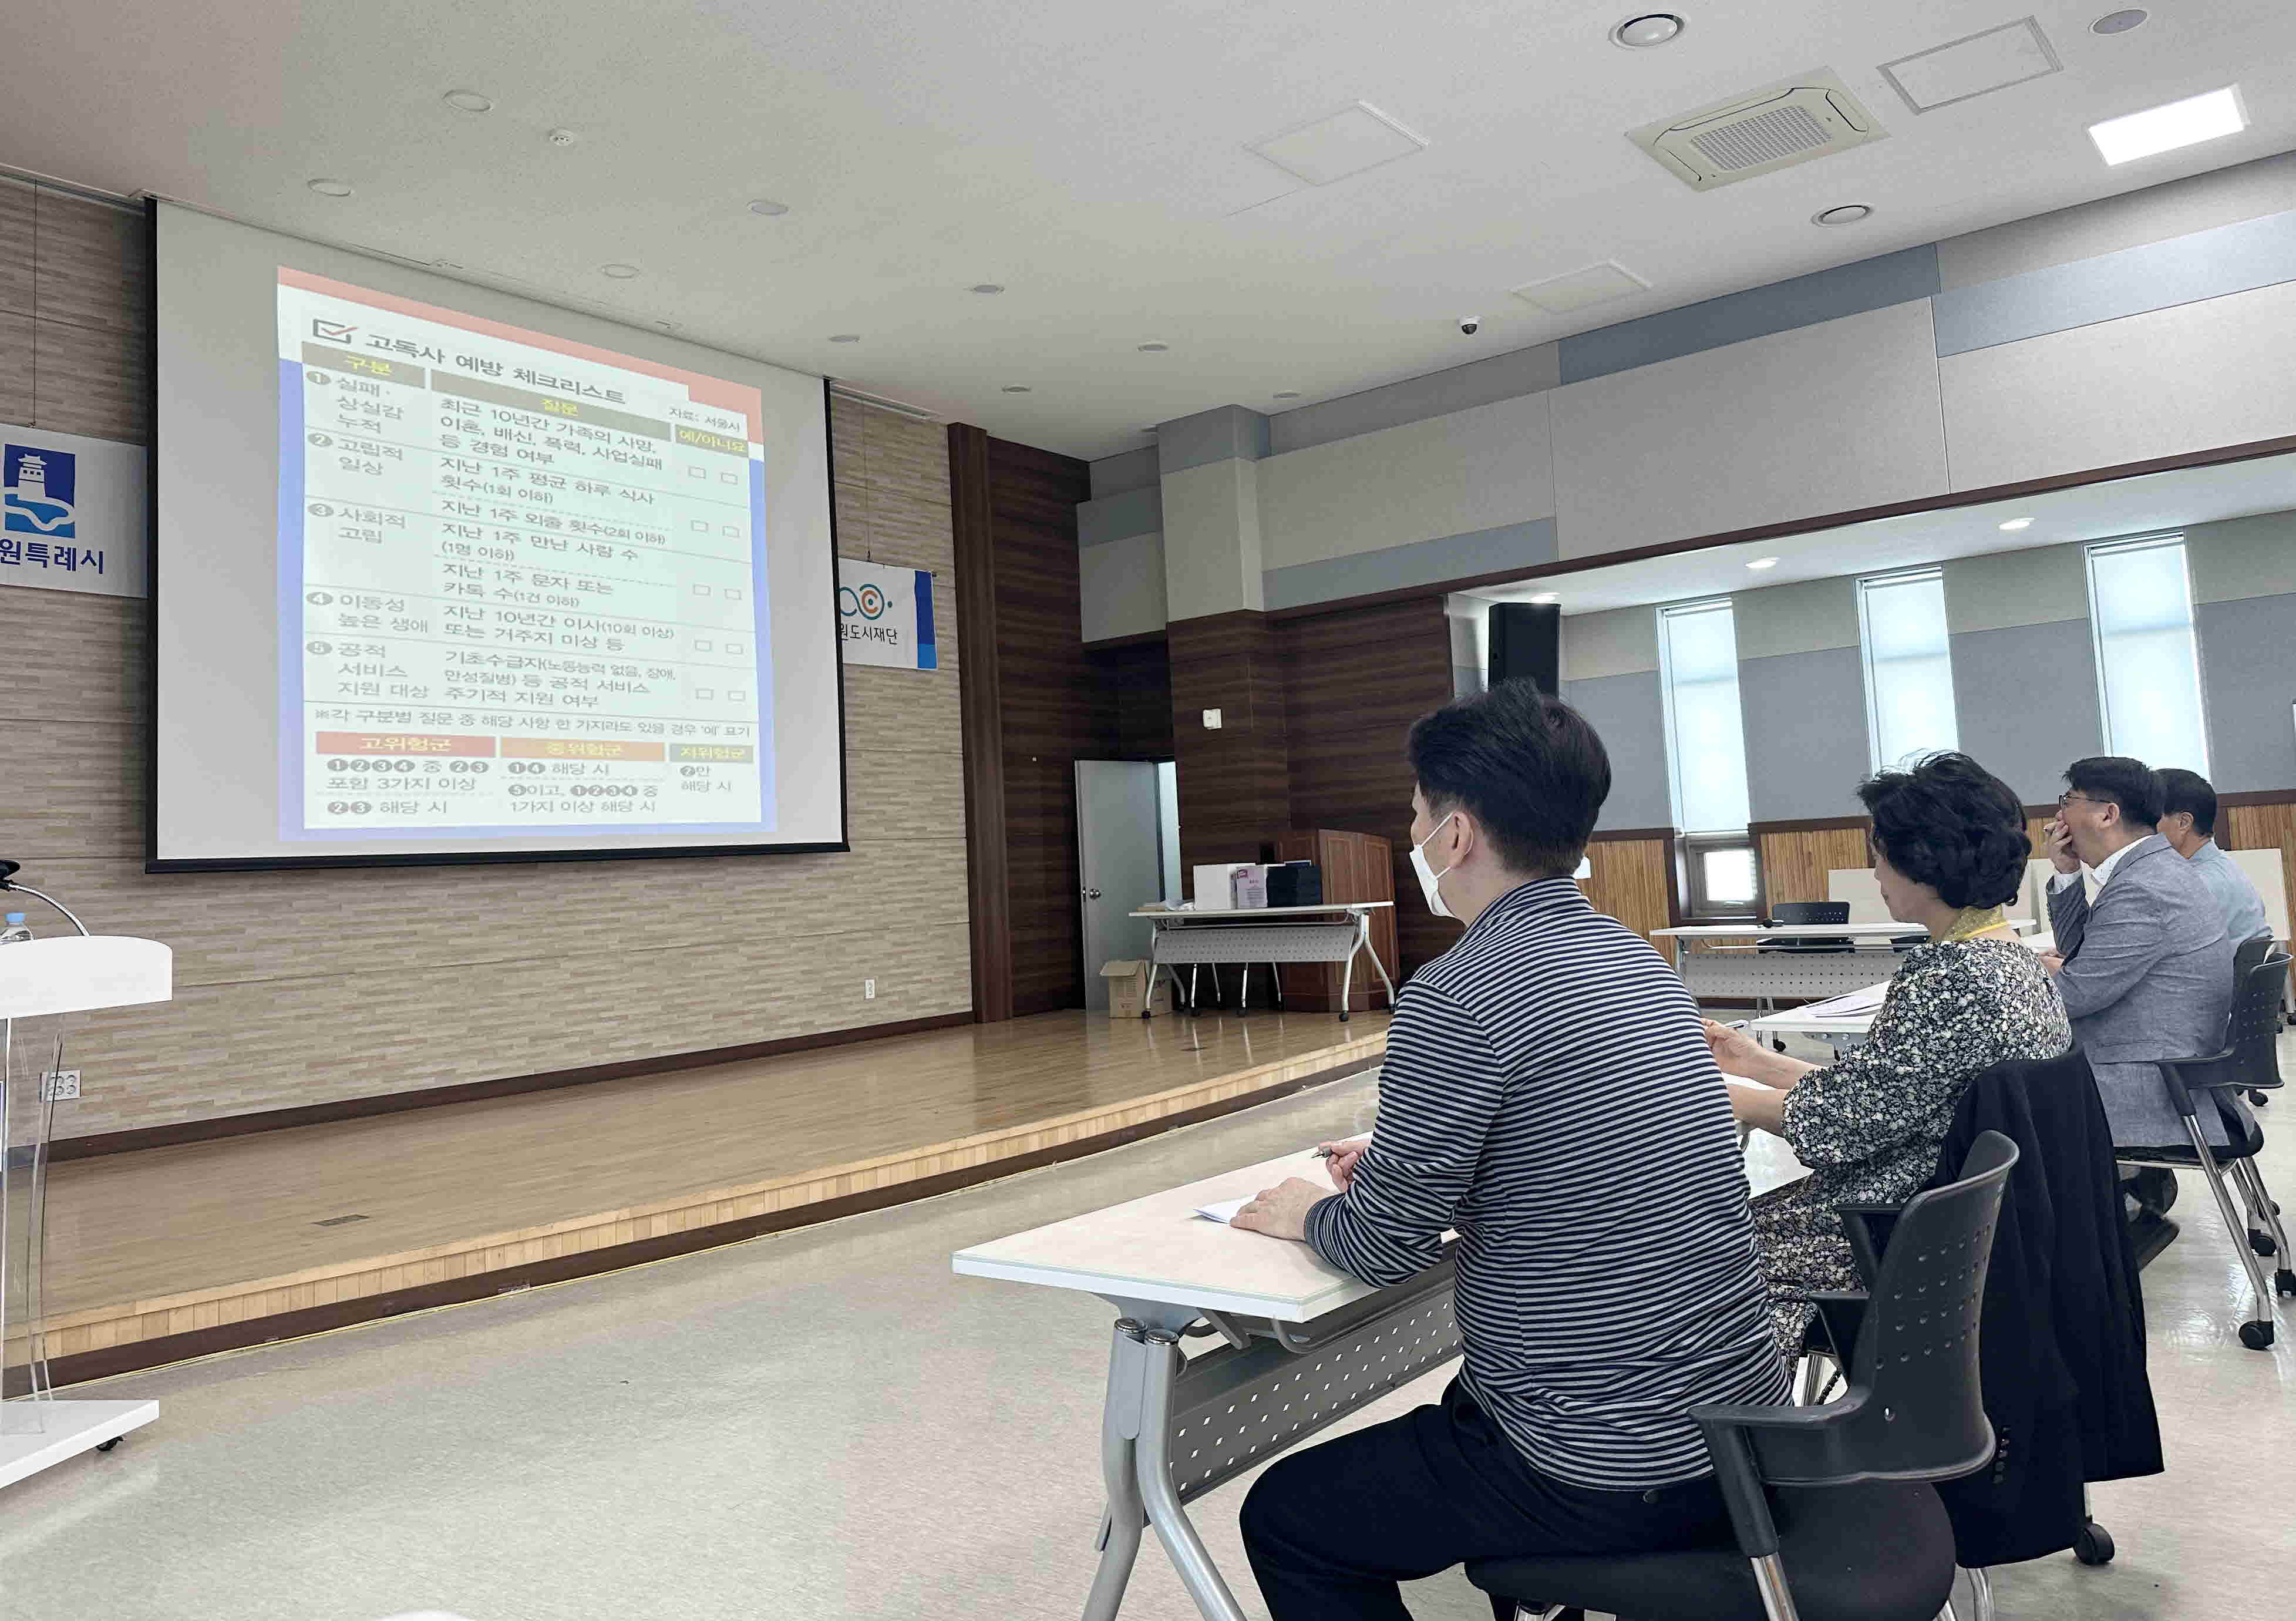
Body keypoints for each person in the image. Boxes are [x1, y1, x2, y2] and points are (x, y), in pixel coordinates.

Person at [1226, 682, 1789, 1621]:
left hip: (1610, 1458)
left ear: (1453, 836)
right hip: (1744, 1427)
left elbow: (1380, 1248)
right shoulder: (1633, 959)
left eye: (1413, 814)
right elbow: (1574, 1133)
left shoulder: (1457, 992)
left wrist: (1307, 1210)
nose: (1412, 837)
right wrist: (1423, 1164)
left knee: (1287, 1516)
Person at [1702, 752, 2071, 1354]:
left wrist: (1731, 1097)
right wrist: (1752, 1061)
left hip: (1893, 1230)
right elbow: (1886, 1094)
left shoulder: (1949, 977)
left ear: (1923, 863)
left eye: (1880, 856)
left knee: (1694, 1253)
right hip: (1962, 1220)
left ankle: (1727, 1432)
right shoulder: (2007, 961)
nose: (1875, 875)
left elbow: (1844, 1125)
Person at [2038, 757, 2234, 1149]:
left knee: (1994, 1089)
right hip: (2168, 1062)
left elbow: (2073, 996)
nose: (2057, 818)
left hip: (2149, 1083)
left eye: (2068, 801)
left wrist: (2016, 977)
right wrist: (2067, 873)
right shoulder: (2154, 869)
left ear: (2107, 814)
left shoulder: (2145, 887)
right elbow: (2080, 954)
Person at [2155, 767, 2274, 948]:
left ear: (2184, 822)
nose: (2142, 829)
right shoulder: (2224, 867)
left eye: (2151, 818)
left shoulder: (2196, 886)